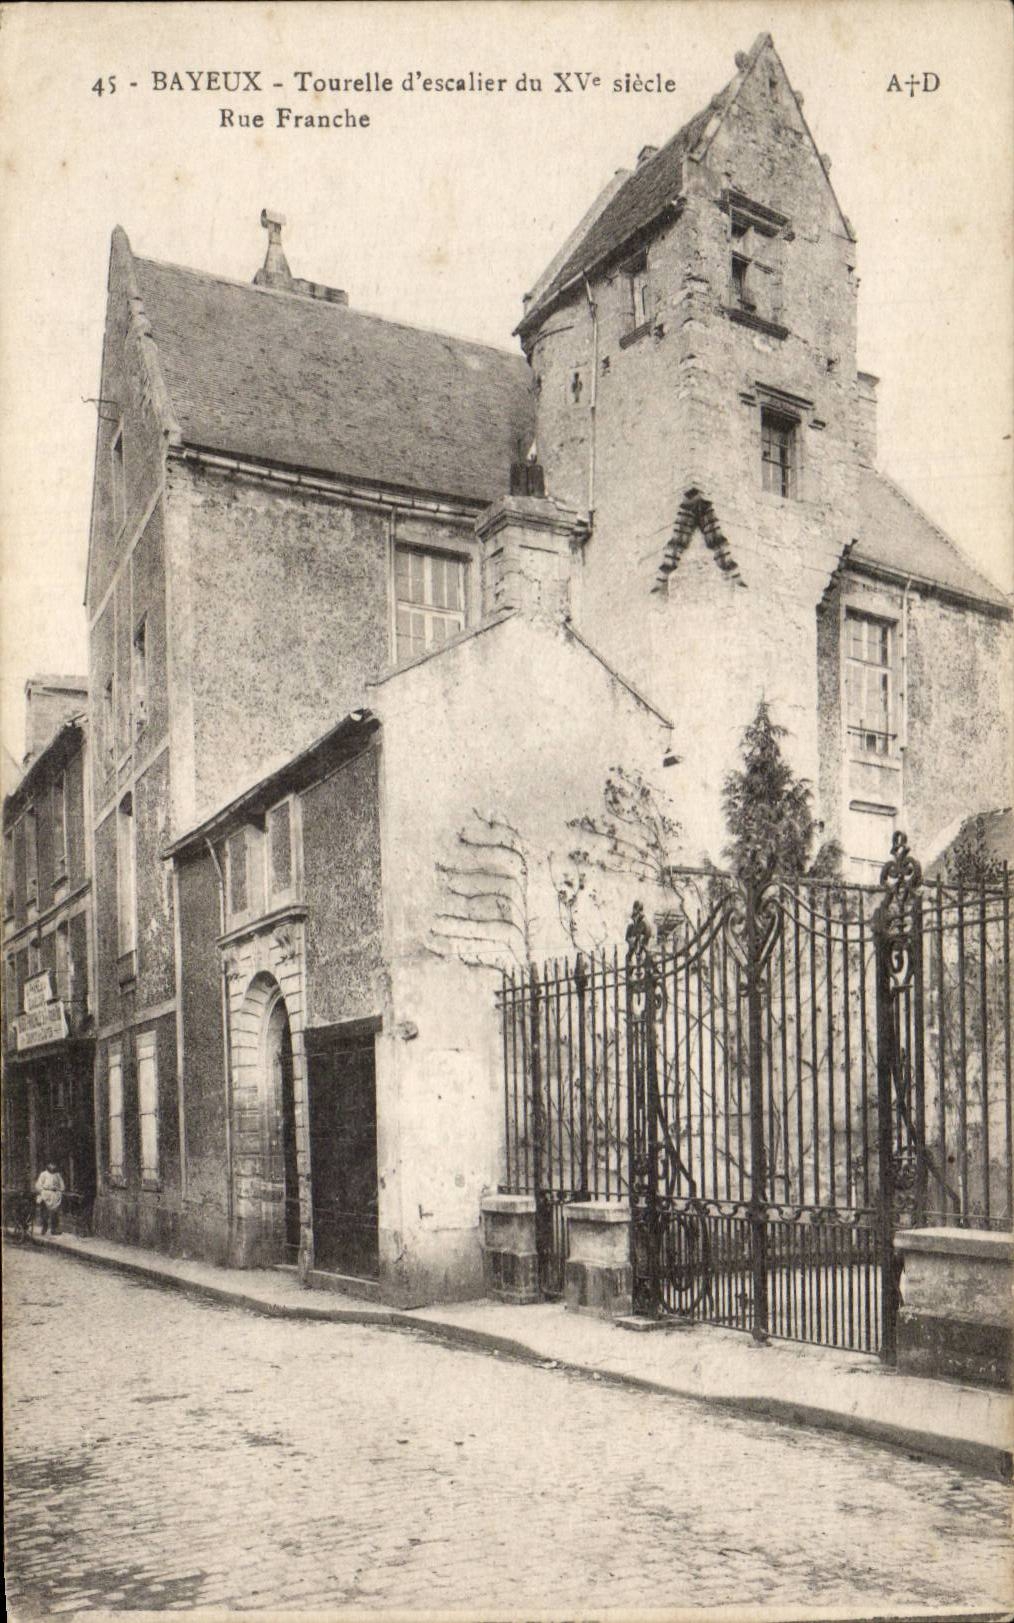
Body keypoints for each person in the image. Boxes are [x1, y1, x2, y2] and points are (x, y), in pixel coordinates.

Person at [35, 1162, 65, 1236]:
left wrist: (58, 1189)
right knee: (45, 1213)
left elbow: (62, 1186)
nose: (52, 1166)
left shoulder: (57, 1175)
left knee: (54, 1213)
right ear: (48, 1165)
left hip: (55, 1195)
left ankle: (54, 1229)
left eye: (54, 1165)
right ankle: (44, 1228)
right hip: (46, 1195)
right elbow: (38, 1185)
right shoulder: (43, 1174)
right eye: (51, 1165)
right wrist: (43, 1191)